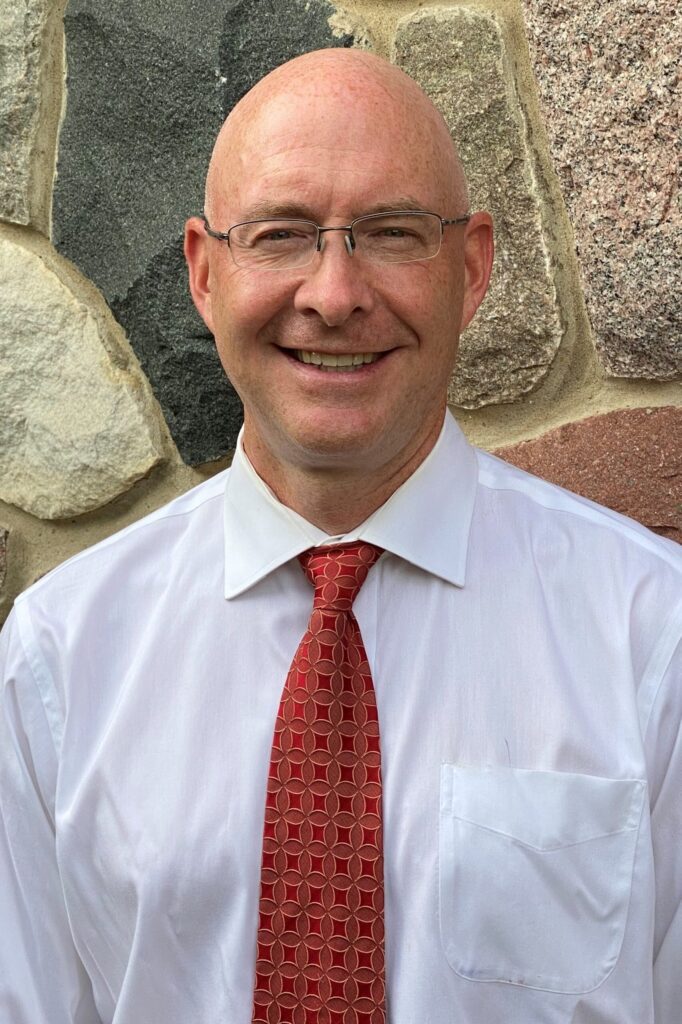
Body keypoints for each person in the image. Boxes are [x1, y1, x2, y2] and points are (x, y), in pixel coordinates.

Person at [0, 47, 680, 1024]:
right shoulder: (59, 662)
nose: (331, 292)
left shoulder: (651, 642)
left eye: (390, 232)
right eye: (279, 235)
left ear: (471, 265)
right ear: (203, 272)